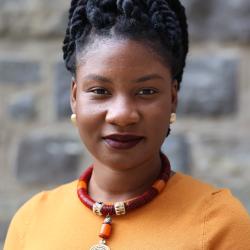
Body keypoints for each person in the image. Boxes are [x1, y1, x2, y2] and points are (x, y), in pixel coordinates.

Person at [4, 0, 250, 249]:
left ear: (172, 99)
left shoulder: (219, 224)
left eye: (146, 91)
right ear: (74, 97)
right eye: (100, 90)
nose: (122, 115)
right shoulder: (31, 222)